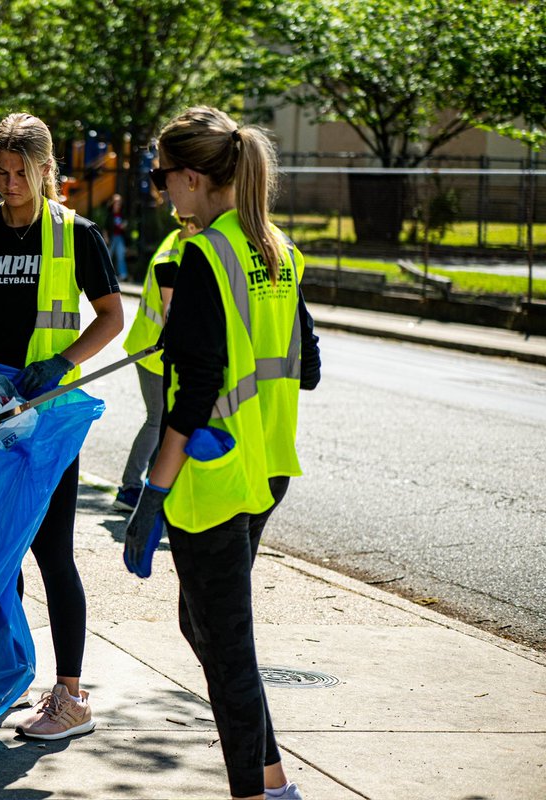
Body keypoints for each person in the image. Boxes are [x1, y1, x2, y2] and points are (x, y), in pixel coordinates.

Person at [124, 106, 320, 800]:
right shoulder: (278, 249)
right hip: (268, 468)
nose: (160, 191)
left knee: (228, 645)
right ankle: (269, 779)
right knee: (202, 623)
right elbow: (309, 365)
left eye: (161, 176)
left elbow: (195, 392)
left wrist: (153, 492)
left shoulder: (204, 254)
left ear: (193, 177)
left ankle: (263, 792)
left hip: (214, 476)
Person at [0, 112, 123, 740]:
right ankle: (9, 674)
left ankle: (70, 698)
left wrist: (62, 362)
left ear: (47, 171)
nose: (11, 184)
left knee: (50, 551)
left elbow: (111, 319)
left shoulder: (78, 236)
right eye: (1, 173)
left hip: (44, 424)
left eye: (23, 173)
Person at [112, 210, 200, 512]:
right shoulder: (175, 256)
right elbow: (170, 312)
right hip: (153, 352)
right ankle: (129, 489)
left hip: (154, 349)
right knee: (157, 420)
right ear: (190, 224)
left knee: (161, 420)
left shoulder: (178, 242)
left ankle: (148, 486)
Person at [104, 193, 129, 280]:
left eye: (119, 203)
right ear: (113, 203)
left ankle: (123, 274)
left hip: (120, 237)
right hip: (111, 238)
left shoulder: (122, 214)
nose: (118, 205)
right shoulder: (109, 215)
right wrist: (106, 238)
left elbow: (125, 225)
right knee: (108, 256)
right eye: (116, 203)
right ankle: (107, 274)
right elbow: (105, 228)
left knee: (120, 256)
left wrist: (124, 226)